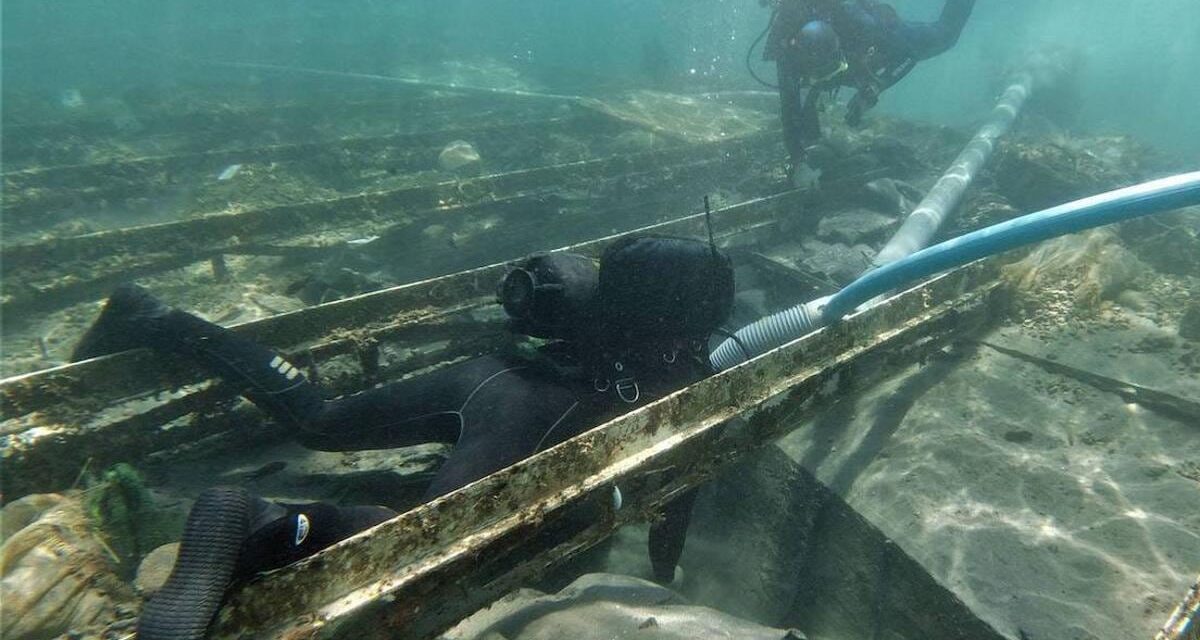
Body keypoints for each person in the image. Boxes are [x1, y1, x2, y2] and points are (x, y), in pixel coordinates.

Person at [72, 236, 734, 640]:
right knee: (422, 541)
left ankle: (155, 317)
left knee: (320, 418)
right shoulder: (683, 359)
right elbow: (684, 469)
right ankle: (261, 518)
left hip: (501, 382)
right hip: (526, 407)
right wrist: (663, 569)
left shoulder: (659, 331)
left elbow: (683, 463)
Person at [760, 0, 976, 186]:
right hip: (840, 59)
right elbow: (789, 111)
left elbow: (910, 56)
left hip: (873, 44)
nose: (826, 80)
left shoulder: (862, 26)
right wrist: (799, 163)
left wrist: (874, 87)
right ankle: (815, 138)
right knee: (807, 111)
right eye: (817, 76)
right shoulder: (787, 57)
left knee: (946, 36)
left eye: (831, 71)